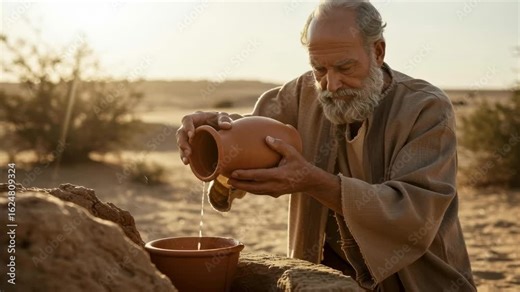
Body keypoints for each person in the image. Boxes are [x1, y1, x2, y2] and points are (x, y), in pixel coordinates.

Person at [176, 0, 476, 290]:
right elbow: (247, 141)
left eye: (345, 68)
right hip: (320, 280)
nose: (330, 85)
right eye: (319, 69)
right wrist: (213, 133)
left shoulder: (426, 108)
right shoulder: (301, 94)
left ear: (378, 51)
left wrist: (313, 182)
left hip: (416, 281)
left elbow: (413, 215)